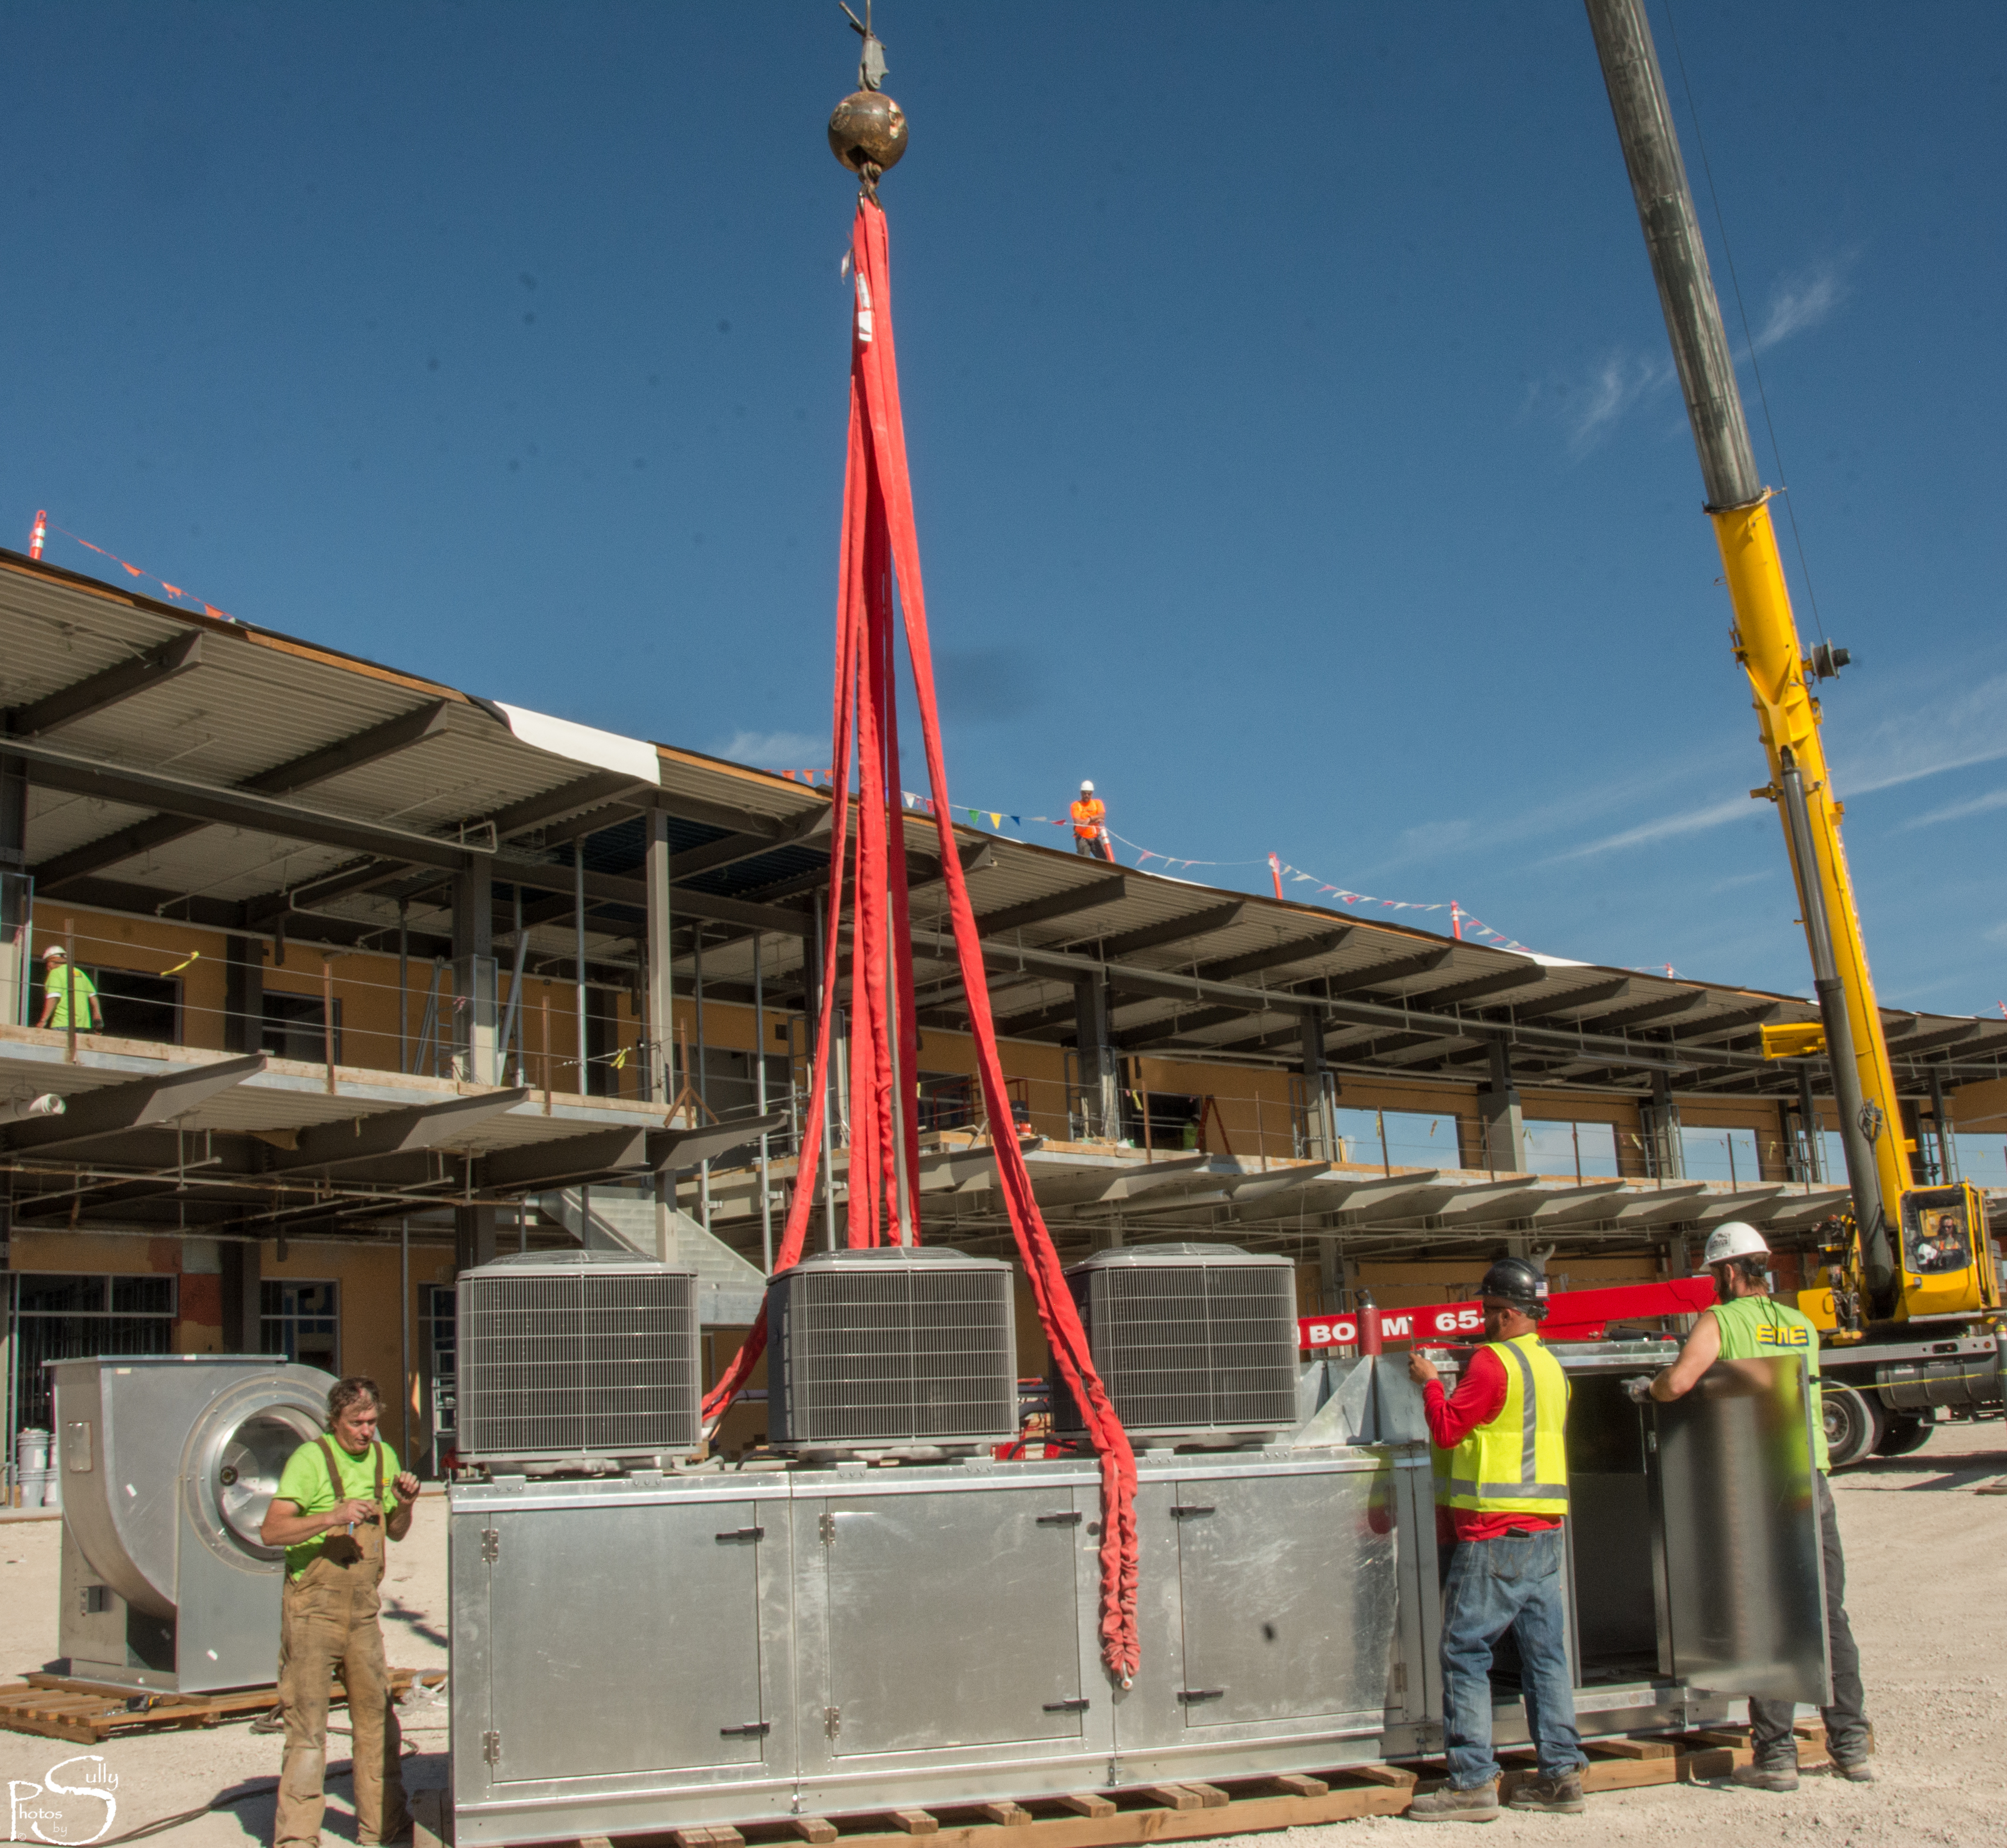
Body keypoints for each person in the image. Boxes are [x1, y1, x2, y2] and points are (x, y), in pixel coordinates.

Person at [1646, 1222, 1873, 1790]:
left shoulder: (1721, 1321)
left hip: (1755, 1483)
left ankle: (1775, 1756)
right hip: (1810, 1480)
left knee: (1767, 1615)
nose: (1713, 1283)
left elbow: (1679, 1382)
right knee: (1826, 1611)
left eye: (1713, 1273)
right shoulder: (1799, 1323)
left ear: (1728, 1271)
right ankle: (1851, 1744)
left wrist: (1649, 1388)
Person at [1405, 1257, 1584, 1822]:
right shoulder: (1550, 1365)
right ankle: (1561, 1774)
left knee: (1464, 1651)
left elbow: (1447, 1428)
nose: (1482, 1320)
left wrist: (1432, 1383)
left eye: (1487, 1310)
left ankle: (1472, 1782)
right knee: (1546, 1656)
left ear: (1508, 1312)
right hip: (1546, 1532)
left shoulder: (1492, 1361)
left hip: (1494, 1533)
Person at [260, 1377, 420, 1848]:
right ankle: (297, 1837)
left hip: (363, 1613)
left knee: (377, 1723)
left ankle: (384, 1828)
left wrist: (405, 1504)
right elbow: (271, 1531)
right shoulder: (310, 1460)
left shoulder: (384, 1458)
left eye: (372, 1421)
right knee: (307, 1727)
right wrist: (332, 1516)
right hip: (313, 1613)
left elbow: (396, 1532)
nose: (366, 1431)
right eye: (356, 1422)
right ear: (335, 1421)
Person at [36, 944, 101, 1035]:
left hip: (63, 1022)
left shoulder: (56, 973)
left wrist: (43, 1021)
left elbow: (53, 998)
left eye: (48, 963)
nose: (48, 967)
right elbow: (93, 996)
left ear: (51, 961)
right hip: (81, 1025)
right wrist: (98, 1018)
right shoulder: (80, 973)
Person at [1069, 780, 1111, 861]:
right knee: (1085, 861)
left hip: (1095, 838)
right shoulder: (1076, 805)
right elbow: (1078, 822)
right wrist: (1096, 820)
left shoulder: (1097, 803)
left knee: (1105, 860)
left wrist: (1089, 820)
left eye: (1089, 794)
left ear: (1092, 794)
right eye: (1085, 793)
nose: (1087, 796)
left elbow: (1102, 816)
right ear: (1081, 793)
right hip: (1082, 838)